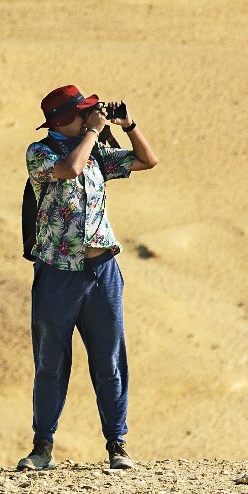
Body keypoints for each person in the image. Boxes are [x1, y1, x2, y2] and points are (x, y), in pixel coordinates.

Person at [18, 85, 159, 472]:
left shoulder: (95, 152)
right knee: (50, 362)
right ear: (65, 120)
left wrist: (129, 125)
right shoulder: (41, 153)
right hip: (58, 274)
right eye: (84, 113)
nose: (90, 117)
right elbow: (69, 169)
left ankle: (118, 444)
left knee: (110, 359)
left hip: (102, 272)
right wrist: (94, 133)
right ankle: (42, 446)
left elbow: (148, 161)